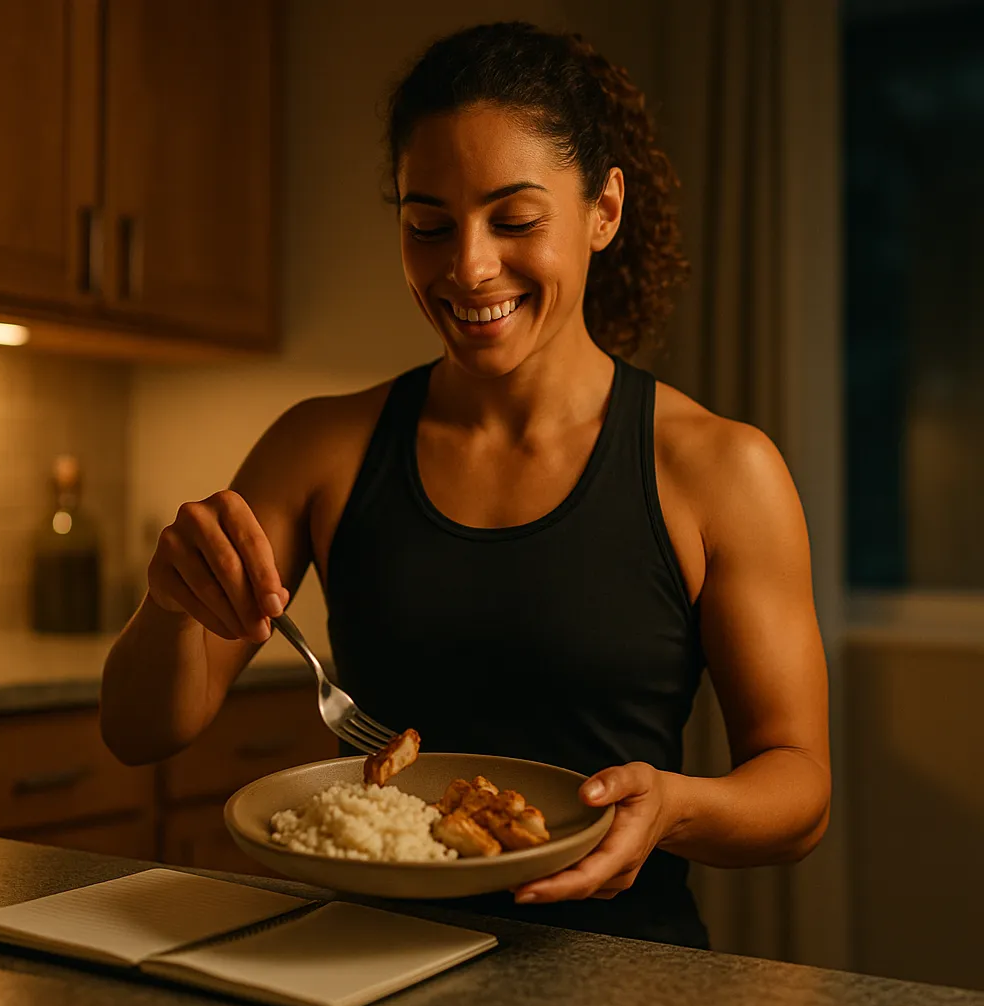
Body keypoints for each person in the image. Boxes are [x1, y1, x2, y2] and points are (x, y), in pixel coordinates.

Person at [101, 21, 830, 949]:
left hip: (618, 974)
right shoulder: (321, 446)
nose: (469, 266)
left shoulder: (720, 469)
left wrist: (675, 807)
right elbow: (140, 731)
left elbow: (799, 789)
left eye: (516, 220)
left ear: (604, 210)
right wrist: (169, 604)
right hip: (357, 965)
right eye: (428, 225)